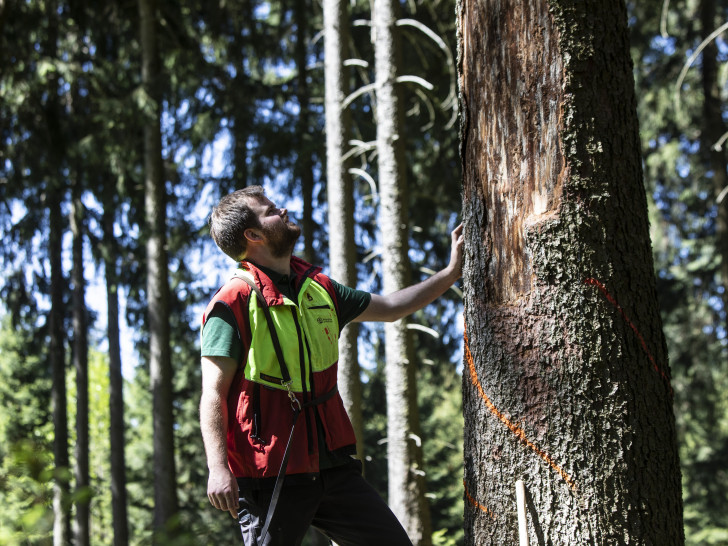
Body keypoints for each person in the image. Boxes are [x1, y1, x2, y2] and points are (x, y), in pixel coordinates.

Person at [200, 185, 464, 546]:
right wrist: (217, 468)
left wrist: (450, 273)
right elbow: (213, 395)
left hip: (333, 467)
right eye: (272, 211)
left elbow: (389, 307)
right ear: (254, 235)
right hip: (271, 473)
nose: (284, 211)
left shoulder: (319, 288)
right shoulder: (231, 302)